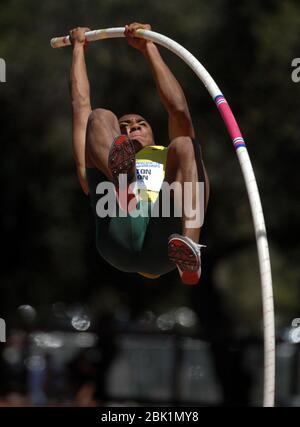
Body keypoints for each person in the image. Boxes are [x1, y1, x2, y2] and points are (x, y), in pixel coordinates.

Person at [69, 23, 209, 285]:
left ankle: (189, 250)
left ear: (153, 137)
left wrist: (149, 47)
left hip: (164, 237)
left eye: (139, 124)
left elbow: (178, 110)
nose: (132, 126)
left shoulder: (167, 157)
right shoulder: (100, 156)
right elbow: (81, 106)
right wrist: (77, 49)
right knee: (98, 116)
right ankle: (124, 181)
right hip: (117, 229)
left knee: (186, 145)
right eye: (124, 127)